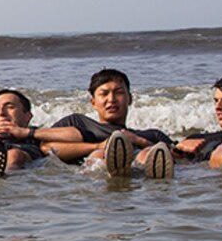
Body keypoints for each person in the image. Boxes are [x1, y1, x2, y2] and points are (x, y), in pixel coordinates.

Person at [37, 69, 174, 177]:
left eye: (119, 92)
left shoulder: (152, 134)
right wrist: (97, 146)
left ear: (130, 99)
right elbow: (46, 148)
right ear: (93, 102)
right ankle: (115, 171)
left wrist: (139, 140)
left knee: (148, 152)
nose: (111, 99)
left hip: (139, 170)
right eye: (104, 94)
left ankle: (148, 180)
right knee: (99, 154)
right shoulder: (79, 124)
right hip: (97, 177)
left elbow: (178, 155)